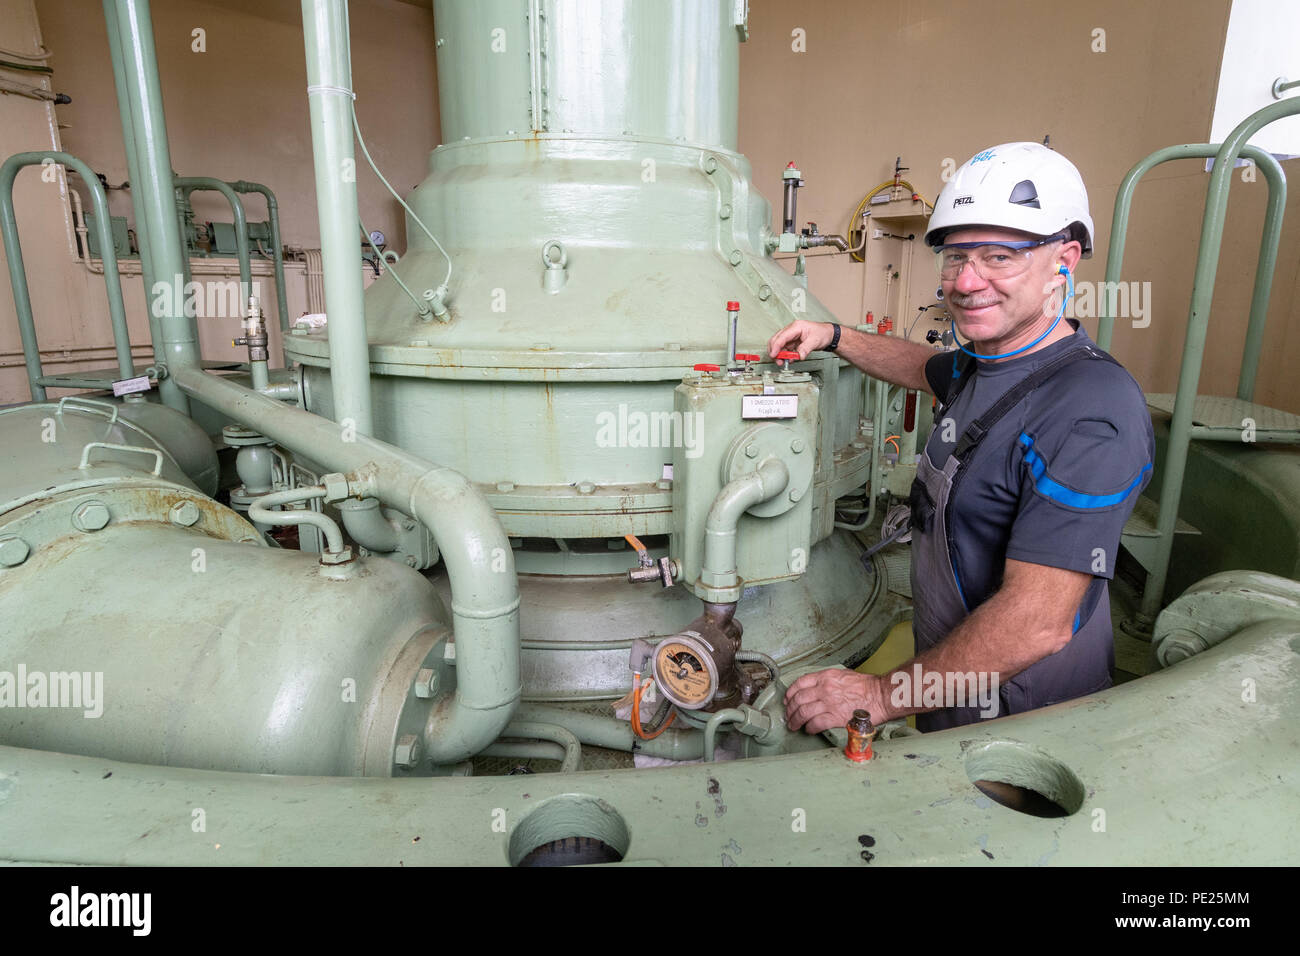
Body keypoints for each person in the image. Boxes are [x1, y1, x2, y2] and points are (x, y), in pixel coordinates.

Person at [771, 142, 1154, 734]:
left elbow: (1036, 624)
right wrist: (834, 334)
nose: (967, 281)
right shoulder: (981, 366)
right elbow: (918, 364)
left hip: (1023, 714)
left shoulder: (1090, 408)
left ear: (1065, 258)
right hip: (949, 689)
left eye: (1000, 256)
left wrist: (880, 693)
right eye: (954, 257)